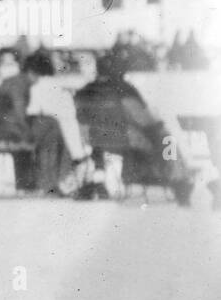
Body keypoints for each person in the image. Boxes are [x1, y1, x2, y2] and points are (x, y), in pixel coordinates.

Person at [75, 54, 193, 205]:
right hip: (125, 140)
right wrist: (159, 126)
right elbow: (144, 120)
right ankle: (179, 182)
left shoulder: (84, 91)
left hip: (93, 140)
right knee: (167, 139)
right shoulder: (124, 90)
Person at [23, 51, 91, 196]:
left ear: (32, 72)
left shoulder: (36, 88)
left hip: (53, 132)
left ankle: (48, 182)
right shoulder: (59, 86)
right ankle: (62, 182)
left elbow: (32, 111)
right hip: (71, 133)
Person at [0, 64, 37, 191]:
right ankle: (43, 181)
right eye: (37, 76)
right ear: (31, 72)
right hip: (4, 129)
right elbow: (19, 112)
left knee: (46, 127)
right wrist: (27, 130)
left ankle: (31, 181)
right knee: (48, 131)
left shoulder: (13, 81)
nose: (37, 81)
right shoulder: (19, 84)